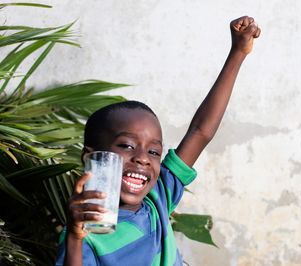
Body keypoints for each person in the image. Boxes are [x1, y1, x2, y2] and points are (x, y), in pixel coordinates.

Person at [56, 16, 261, 265]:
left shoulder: (158, 195)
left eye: (154, 152)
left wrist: (238, 52)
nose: (143, 158)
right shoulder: (84, 233)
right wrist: (75, 239)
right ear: (91, 158)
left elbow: (200, 132)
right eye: (127, 146)